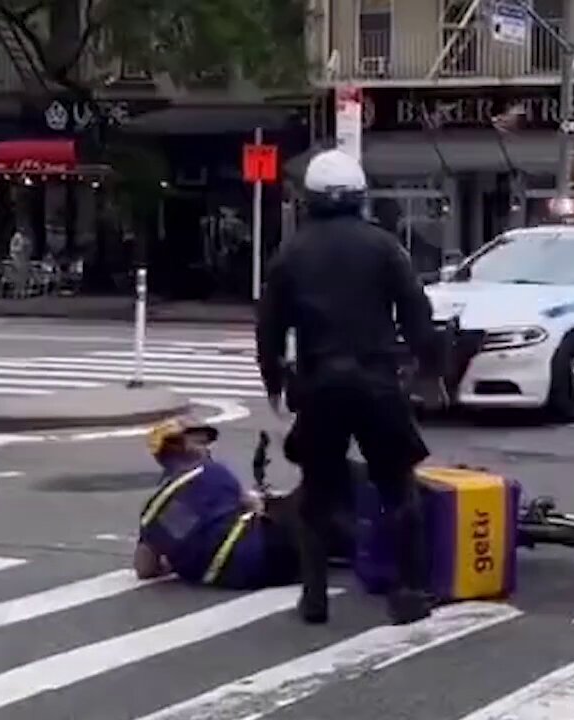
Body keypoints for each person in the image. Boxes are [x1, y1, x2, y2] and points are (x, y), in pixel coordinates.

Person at [255, 148, 445, 626]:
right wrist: (428, 369)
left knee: (317, 492)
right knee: (397, 486)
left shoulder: (290, 253)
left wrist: (274, 382)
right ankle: (409, 592)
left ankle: (315, 597)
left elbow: (269, 328)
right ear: (360, 196)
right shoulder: (383, 246)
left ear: (309, 199)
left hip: (319, 383)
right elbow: (416, 312)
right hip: (377, 379)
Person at [133, 419, 299, 589]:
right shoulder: (211, 472)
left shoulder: (154, 510)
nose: (208, 448)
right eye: (200, 442)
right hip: (267, 552)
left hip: (229, 577)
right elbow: (255, 506)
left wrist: (173, 565)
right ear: (177, 447)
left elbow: (144, 568)